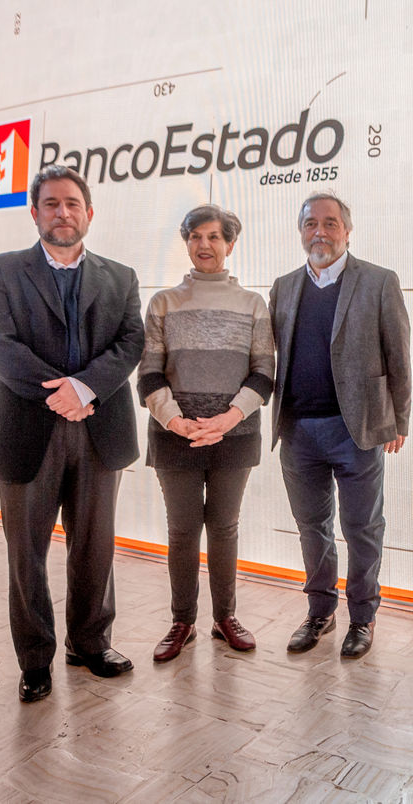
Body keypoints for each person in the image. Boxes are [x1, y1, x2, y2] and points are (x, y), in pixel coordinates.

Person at [0, 164, 144, 702]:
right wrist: (61, 393)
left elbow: (130, 342)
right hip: (26, 428)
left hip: (99, 428)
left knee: (95, 547)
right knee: (26, 553)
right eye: (51, 203)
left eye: (72, 203)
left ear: (88, 213)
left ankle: (90, 643)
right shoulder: (4, 269)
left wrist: (85, 388)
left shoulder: (121, 276)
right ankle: (35, 659)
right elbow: (0, 345)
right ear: (35, 212)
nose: (62, 212)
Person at [269, 193, 411, 659]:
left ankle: (363, 618)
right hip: (299, 431)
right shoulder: (284, 287)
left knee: (363, 527)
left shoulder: (378, 282)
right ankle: (319, 612)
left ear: (347, 230)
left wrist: (398, 418)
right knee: (312, 527)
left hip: (359, 428)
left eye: (330, 223)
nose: (320, 232)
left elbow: (398, 356)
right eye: (311, 223)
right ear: (301, 231)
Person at [137, 205, 275, 662]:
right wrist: (175, 421)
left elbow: (263, 375)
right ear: (187, 242)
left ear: (230, 244)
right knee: (181, 532)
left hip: (233, 436)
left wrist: (227, 419)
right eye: (196, 236)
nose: (205, 245)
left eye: (215, 237)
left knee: (224, 528)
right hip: (174, 435)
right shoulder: (162, 303)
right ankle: (182, 622)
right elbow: (149, 375)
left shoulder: (254, 304)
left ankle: (225, 617)